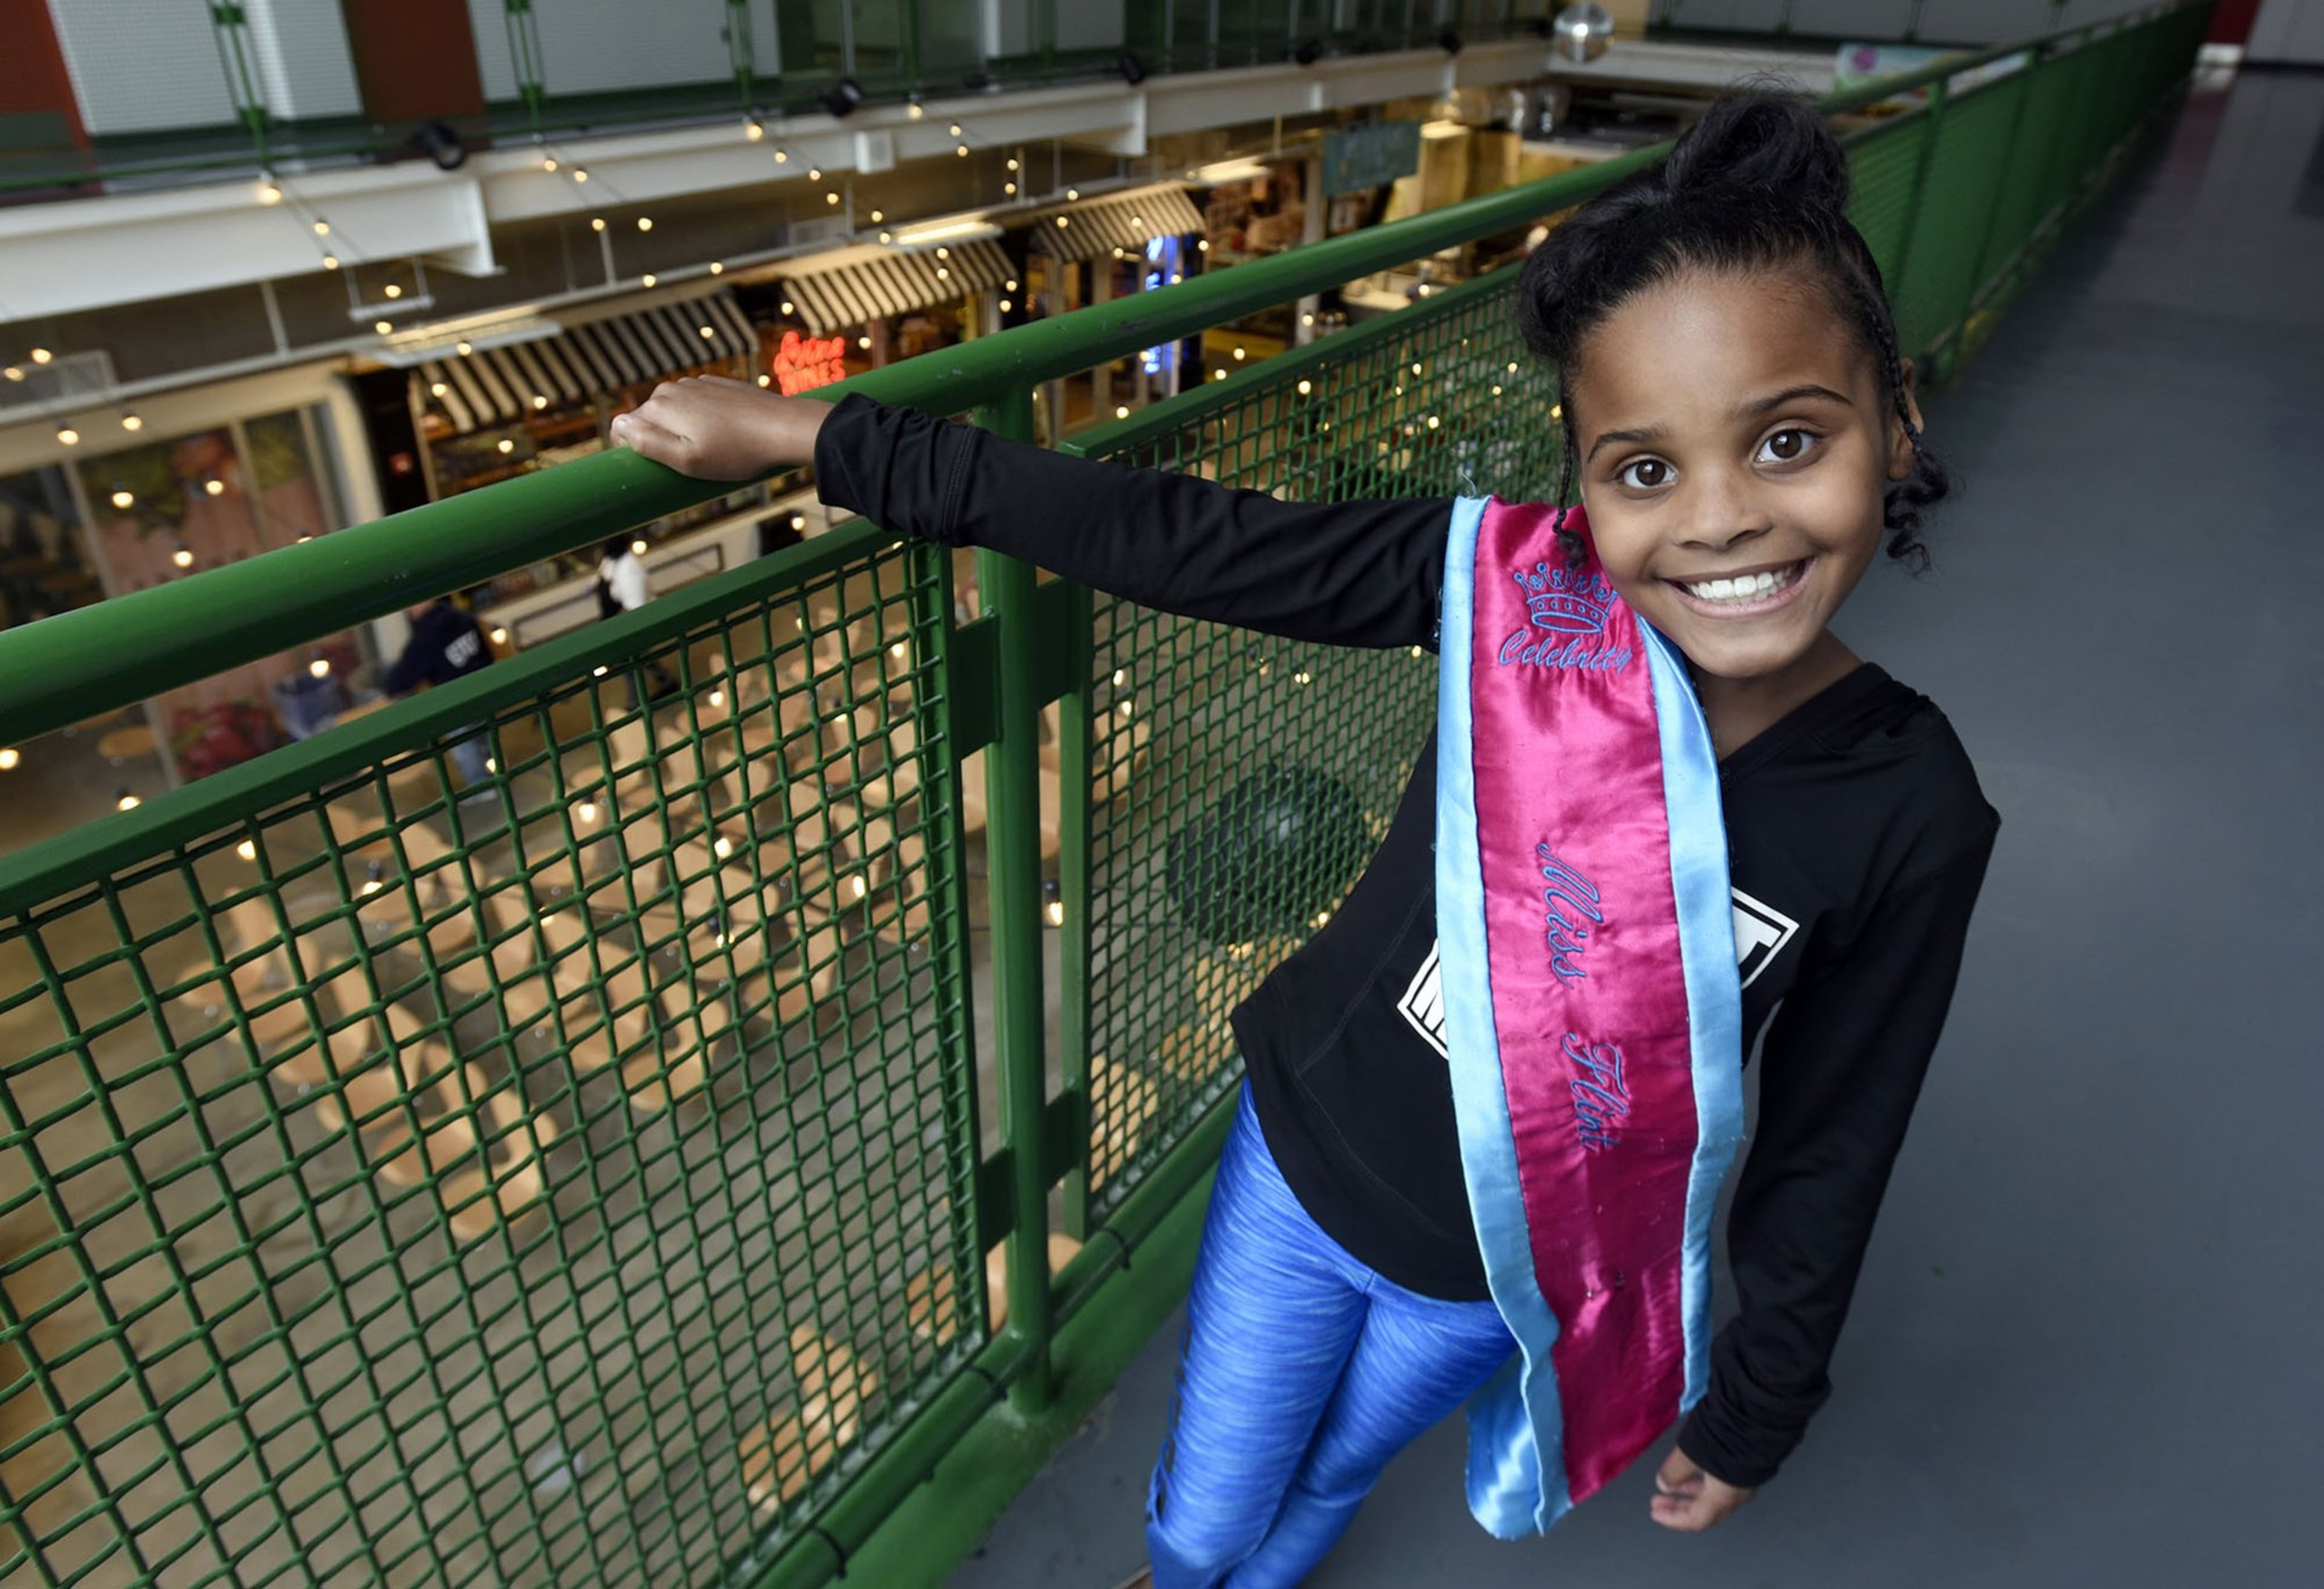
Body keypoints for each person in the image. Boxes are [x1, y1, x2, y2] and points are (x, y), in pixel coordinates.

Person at [613, 91, 1997, 1587]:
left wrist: (1754, 1411)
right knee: (1205, 1508)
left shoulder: (1907, 810)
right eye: (1642, 469)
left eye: (1786, 439)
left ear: (1895, 419)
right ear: (1581, 483)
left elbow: (1831, 1138)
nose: (1720, 521)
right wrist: (817, 437)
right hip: (1304, 1162)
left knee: (1331, 1470)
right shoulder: (1507, 597)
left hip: (1498, 1271)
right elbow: (1177, 537)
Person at [383, 591, 494, 792]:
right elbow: (488, 653)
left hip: (456, 702)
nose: (409, 610)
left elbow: (400, 680)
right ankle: (493, 771)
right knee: (483, 735)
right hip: (485, 689)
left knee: (464, 744)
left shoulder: (426, 637)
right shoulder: (462, 617)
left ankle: (482, 787)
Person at [596, 535, 677, 702]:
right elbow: (601, 579)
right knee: (640, 659)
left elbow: (635, 607)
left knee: (630, 661)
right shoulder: (610, 561)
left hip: (630, 622)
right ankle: (666, 681)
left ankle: (635, 701)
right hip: (614, 621)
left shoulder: (630, 569)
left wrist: (615, 627)